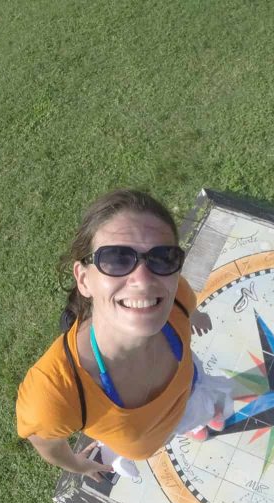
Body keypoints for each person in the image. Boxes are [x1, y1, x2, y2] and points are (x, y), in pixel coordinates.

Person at [16, 189, 231, 482]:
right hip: (148, 440)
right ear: (83, 279)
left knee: (195, 404)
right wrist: (79, 465)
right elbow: (47, 445)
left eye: (163, 258)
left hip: (188, 390)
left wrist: (193, 314)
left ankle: (192, 422)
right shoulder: (55, 396)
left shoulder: (177, 295)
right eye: (116, 259)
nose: (143, 281)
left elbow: (185, 303)